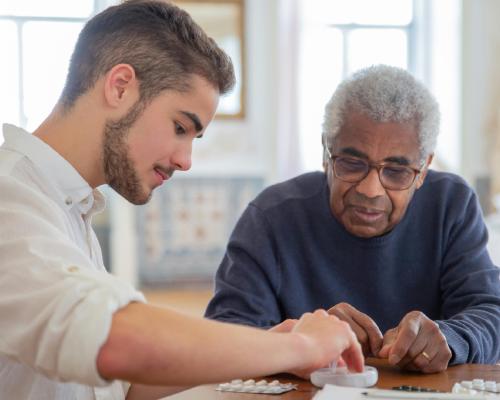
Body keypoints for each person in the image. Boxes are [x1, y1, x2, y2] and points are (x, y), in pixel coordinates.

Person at [0, 1, 364, 399]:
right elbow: (115, 341)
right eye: (179, 127)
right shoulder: (10, 197)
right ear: (120, 86)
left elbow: (122, 384)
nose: (185, 160)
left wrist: (271, 352)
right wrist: (303, 345)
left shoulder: (67, 205)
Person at [205, 64, 500, 374]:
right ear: (325, 153)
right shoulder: (271, 217)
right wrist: (300, 341)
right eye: (351, 163)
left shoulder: (450, 205)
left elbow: (490, 312)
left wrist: (449, 338)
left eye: (397, 172)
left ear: (423, 168)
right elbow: (225, 336)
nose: (371, 190)